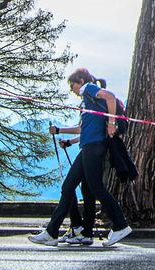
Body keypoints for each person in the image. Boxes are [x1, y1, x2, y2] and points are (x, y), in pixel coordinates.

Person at [29, 68, 132, 247]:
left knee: (96, 189)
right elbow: (81, 128)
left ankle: (121, 225)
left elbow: (110, 96)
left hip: (94, 147)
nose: (72, 89)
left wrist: (111, 123)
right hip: (88, 147)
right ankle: (51, 232)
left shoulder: (89, 88)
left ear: (81, 81)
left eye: (73, 84)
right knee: (68, 187)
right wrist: (61, 132)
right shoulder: (87, 103)